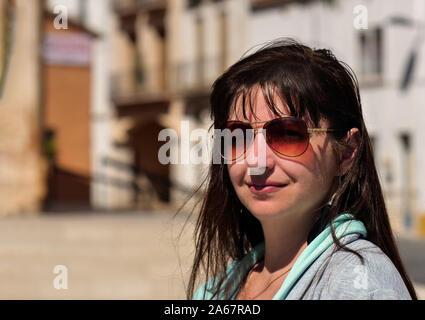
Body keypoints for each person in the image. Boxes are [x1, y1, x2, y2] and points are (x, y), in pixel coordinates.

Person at [184, 39, 417, 300]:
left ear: (347, 152)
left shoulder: (360, 285)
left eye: (287, 134)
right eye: (238, 137)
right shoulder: (218, 289)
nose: (257, 161)